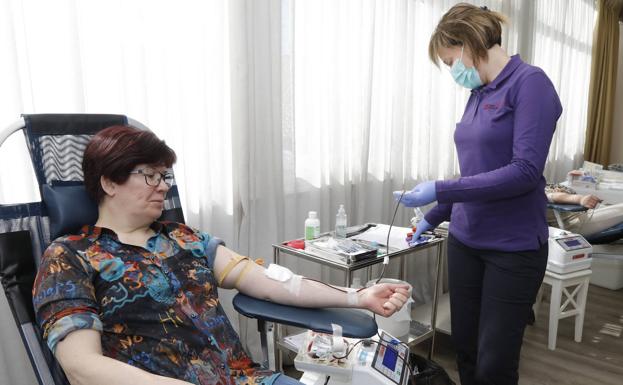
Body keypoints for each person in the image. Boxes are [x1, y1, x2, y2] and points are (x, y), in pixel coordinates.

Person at [32, 125, 410, 385]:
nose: (163, 187)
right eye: (151, 175)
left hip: (244, 377)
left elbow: (274, 284)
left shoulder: (185, 238)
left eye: (166, 176)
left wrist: (357, 297)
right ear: (109, 181)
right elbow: (81, 367)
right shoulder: (70, 256)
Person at [393, 4, 562, 385]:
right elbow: (476, 174)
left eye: (451, 60)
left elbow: (523, 172)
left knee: (494, 366)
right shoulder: (478, 93)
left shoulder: (531, 84)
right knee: (466, 353)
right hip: (466, 242)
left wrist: (440, 188)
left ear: (470, 44)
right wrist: (433, 216)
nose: (453, 71)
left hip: (513, 249)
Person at [545, 184, 623, 238]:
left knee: (615, 207)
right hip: (573, 225)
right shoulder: (534, 187)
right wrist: (580, 199)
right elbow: (552, 196)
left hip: (579, 215)